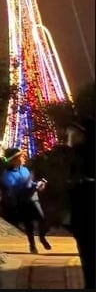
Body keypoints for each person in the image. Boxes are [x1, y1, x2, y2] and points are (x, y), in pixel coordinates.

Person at [0, 147, 51, 254]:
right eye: (21, 156)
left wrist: (38, 185)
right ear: (14, 160)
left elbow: (30, 183)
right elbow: (14, 187)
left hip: (33, 198)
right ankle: (32, 246)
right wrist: (30, 186)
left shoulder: (24, 169)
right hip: (22, 200)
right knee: (29, 224)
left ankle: (42, 237)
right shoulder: (7, 174)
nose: (23, 158)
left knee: (42, 219)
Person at [65, 118, 95, 289]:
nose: (68, 134)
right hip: (81, 215)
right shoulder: (73, 155)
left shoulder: (81, 156)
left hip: (86, 213)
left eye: (72, 131)